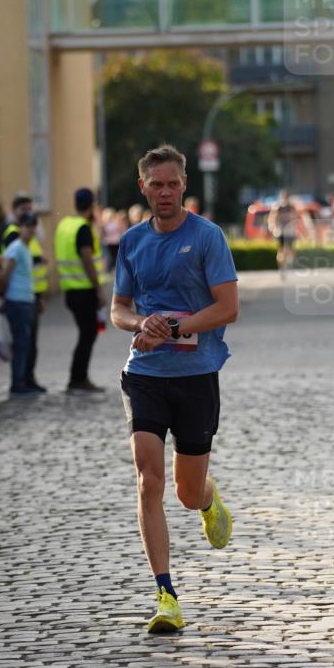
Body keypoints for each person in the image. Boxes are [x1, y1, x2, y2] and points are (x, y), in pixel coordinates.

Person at [110, 144, 239, 634]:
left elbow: (227, 308)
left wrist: (179, 328)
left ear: (184, 185)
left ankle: (208, 499)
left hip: (196, 376)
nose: (164, 192)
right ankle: (166, 594)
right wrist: (141, 323)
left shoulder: (207, 237)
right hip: (143, 374)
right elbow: (118, 309)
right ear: (142, 187)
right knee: (149, 480)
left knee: (185, 492)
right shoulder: (132, 242)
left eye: (172, 184)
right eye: (155, 184)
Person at [54, 188, 107, 392]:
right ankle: (78, 378)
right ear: (92, 206)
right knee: (88, 334)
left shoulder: (64, 225)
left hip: (69, 289)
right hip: (84, 290)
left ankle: (78, 377)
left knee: (86, 333)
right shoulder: (82, 228)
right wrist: (99, 289)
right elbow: (87, 259)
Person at [1, 213, 39, 396]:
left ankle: (23, 380)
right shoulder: (15, 248)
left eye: (33, 226)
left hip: (26, 299)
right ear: (20, 228)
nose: (31, 230)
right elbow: (5, 274)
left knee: (27, 343)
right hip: (17, 300)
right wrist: (2, 295)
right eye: (27, 226)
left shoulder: (25, 248)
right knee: (21, 344)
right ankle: (17, 383)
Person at [267, 190, 298, 276]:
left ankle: (287, 264)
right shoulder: (277, 207)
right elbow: (272, 218)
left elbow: (295, 218)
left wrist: (295, 227)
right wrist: (273, 228)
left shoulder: (291, 207)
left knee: (290, 250)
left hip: (289, 232)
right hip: (281, 232)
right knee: (282, 250)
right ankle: (282, 267)